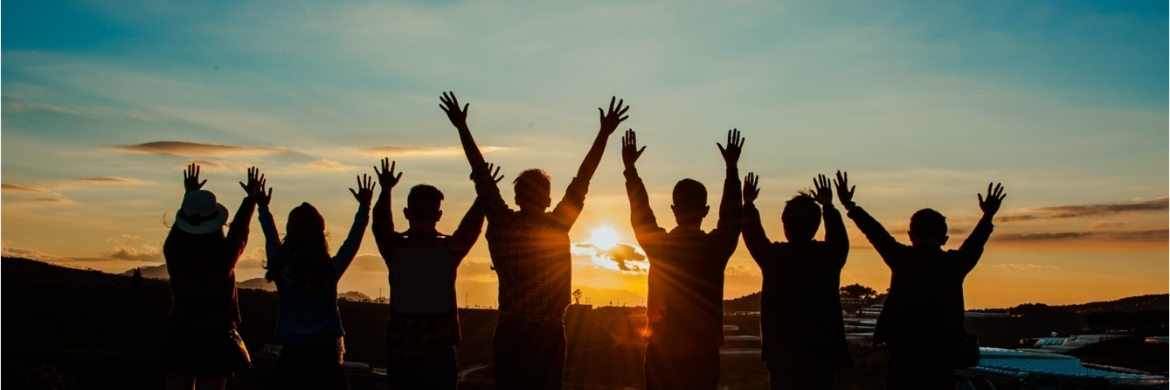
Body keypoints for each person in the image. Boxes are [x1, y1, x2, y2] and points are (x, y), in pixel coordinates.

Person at [439, 91, 627, 389]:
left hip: (511, 332)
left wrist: (462, 127)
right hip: (548, 335)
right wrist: (604, 133)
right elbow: (583, 178)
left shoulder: (502, 223)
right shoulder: (557, 225)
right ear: (549, 198)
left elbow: (482, 176)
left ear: (516, 196)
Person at [837, 172, 1006, 389]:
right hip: (942, 357)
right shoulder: (955, 263)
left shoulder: (902, 258)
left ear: (910, 235)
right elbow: (975, 242)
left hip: (903, 355)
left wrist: (850, 206)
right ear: (944, 239)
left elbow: (875, 232)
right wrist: (988, 216)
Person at [621, 128, 743, 390]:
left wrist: (631, 171)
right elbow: (732, 218)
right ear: (706, 210)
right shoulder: (716, 247)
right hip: (704, 354)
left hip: (662, 354)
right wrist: (731, 169)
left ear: (674, 210)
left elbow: (641, 214)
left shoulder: (659, 246)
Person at [370, 158, 488, 389]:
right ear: (439, 215)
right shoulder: (448, 250)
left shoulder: (395, 248)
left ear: (406, 212)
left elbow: (380, 223)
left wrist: (385, 190)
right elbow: (471, 227)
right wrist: (482, 193)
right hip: (439, 355)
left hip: (401, 355)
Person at [258, 173, 376, 390]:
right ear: (320, 236)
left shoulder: (279, 268)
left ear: (290, 234)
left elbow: (270, 237)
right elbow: (353, 242)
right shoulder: (329, 272)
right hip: (326, 356)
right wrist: (364, 207)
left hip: (291, 355)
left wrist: (263, 207)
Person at [742, 173, 851, 389]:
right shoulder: (828, 256)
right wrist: (828, 206)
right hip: (821, 356)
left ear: (785, 225)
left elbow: (753, 234)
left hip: (782, 358)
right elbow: (839, 237)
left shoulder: (774, 257)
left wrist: (748, 204)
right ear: (816, 225)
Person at [161, 164, 260, 390]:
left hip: (179, 333)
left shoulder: (173, 249)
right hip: (215, 336)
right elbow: (240, 230)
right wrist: (251, 199)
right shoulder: (223, 256)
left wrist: (190, 196)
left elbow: (181, 229)